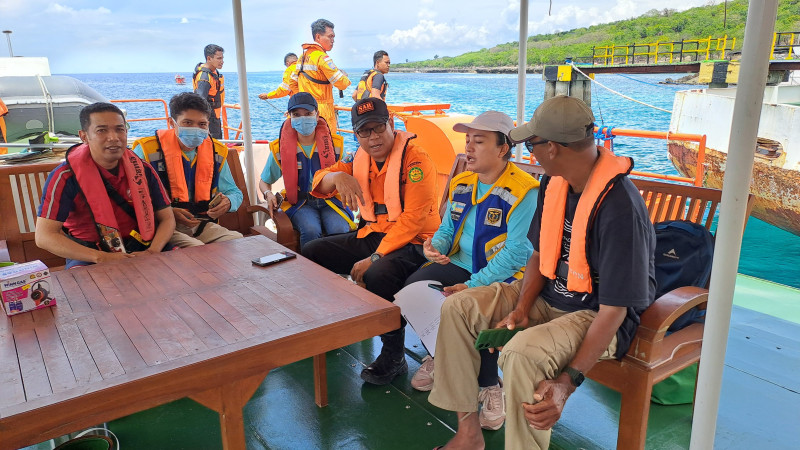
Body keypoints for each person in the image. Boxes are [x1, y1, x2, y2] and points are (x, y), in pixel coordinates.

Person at [427, 95, 656, 450]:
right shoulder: (555, 183)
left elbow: (614, 311)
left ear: (551, 147)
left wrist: (568, 381)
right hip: (547, 299)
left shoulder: (620, 207)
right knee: (457, 308)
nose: (529, 152)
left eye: (531, 144)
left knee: (521, 353)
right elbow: (538, 253)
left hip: (593, 314)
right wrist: (520, 307)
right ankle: (469, 435)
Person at [404, 111, 539, 431]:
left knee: (479, 305)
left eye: (479, 141)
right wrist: (434, 246)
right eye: (468, 141)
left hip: (504, 276)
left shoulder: (525, 190)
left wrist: (474, 284)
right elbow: (448, 228)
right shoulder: (462, 182)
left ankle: (491, 385)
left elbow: (518, 251)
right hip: (461, 264)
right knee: (413, 289)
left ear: (503, 148)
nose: (469, 148)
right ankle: (441, 355)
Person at [302, 97, 440, 385]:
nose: (373, 137)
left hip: (415, 243)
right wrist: (339, 176)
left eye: (378, 128)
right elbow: (318, 182)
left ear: (391, 124)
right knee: (313, 252)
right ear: (357, 135)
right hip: (373, 234)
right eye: (364, 132)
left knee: (380, 272)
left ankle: (393, 355)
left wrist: (375, 256)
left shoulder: (416, 161)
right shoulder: (357, 159)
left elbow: (413, 219)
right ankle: (339, 322)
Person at [35, 102, 175, 268]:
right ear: (84, 136)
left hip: (143, 247)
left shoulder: (142, 169)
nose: (113, 137)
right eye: (102, 130)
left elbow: (167, 218)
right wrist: (101, 257)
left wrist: (153, 252)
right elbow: (44, 236)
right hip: (90, 254)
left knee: (185, 267)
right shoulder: (65, 177)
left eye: (119, 129)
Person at [132, 92, 243, 248]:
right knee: (195, 249)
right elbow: (133, 199)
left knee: (238, 240)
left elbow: (234, 192)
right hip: (161, 226)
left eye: (202, 124)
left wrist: (228, 202)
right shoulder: (146, 151)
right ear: (172, 123)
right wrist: (167, 213)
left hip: (201, 225)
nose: (195, 129)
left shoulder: (216, 151)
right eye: (188, 123)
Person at [259, 92, 355, 248]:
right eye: (296, 114)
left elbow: (349, 173)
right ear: (289, 117)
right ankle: (310, 270)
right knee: (311, 230)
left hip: (330, 200)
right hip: (300, 203)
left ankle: (338, 270)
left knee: (339, 229)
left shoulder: (336, 145)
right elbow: (264, 181)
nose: (302, 118)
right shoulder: (279, 149)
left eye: (308, 113)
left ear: (317, 115)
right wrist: (268, 194)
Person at [292, 19, 351, 133]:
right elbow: (342, 84)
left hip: (305, 109)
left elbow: (292, 83)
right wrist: (345, 77)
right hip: (322, 110)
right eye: (330, 37)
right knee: (327, 144)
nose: (333, 40)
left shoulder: (302, 57)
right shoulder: (322, 58)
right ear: (318, 37)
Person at [193, 44, 225, 139]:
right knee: (214, 146)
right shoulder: (204, 78)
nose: (222, 61)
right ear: (209, 58)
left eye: (222, 58)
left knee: (218, 144)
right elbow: (200, 101)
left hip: (215, 116)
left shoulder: (213, 73)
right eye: (219, 58)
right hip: (209, 118)